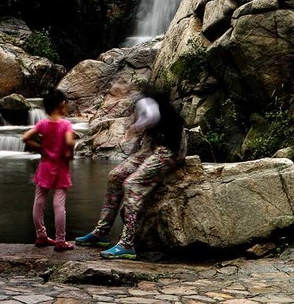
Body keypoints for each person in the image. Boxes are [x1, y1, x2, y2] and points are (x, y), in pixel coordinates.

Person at [75, 87, 185, 260]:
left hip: (170, 149)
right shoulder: (151, 106)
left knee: (132, 184)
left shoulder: (165, 112)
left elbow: (151, 122)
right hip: (152, 146)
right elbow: (145, 124)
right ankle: (101, 232)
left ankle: (127, 244)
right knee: (115, 176)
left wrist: (138, 125)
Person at [22, 88, 76, 250]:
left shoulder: (43, 124)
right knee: (59, 205)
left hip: (45, 167)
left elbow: (25, 138)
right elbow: (69, 142)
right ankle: (60, 240)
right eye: (65, 103)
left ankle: (41, 236)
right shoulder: (66, 124)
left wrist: (40, 149)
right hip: (60, 168)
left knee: (39, 201)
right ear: (61, 105)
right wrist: (70, 153)